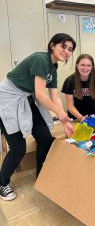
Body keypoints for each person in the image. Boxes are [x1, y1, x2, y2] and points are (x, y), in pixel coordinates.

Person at [0, 33, 76, 201]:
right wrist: (62, 115)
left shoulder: (53, 68)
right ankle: (2, 182)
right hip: (8, 98)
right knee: (18, 148)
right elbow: (41, 95)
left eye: (70, 49)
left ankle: (41, 174)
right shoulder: (40, 59)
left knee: (45, 138)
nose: (67, 52)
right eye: (63, 46)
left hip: (25, 97)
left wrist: (64, 120)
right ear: (52, 45)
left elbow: (54, 97)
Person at [62, 54, 95, 122]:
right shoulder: (69, 81)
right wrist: (81, 118)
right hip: (75, 118)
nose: (85, 68)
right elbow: (70, 106)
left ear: (92, 67)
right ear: (77, 66)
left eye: (88, 65)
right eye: (82, 65)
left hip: (92, 117)